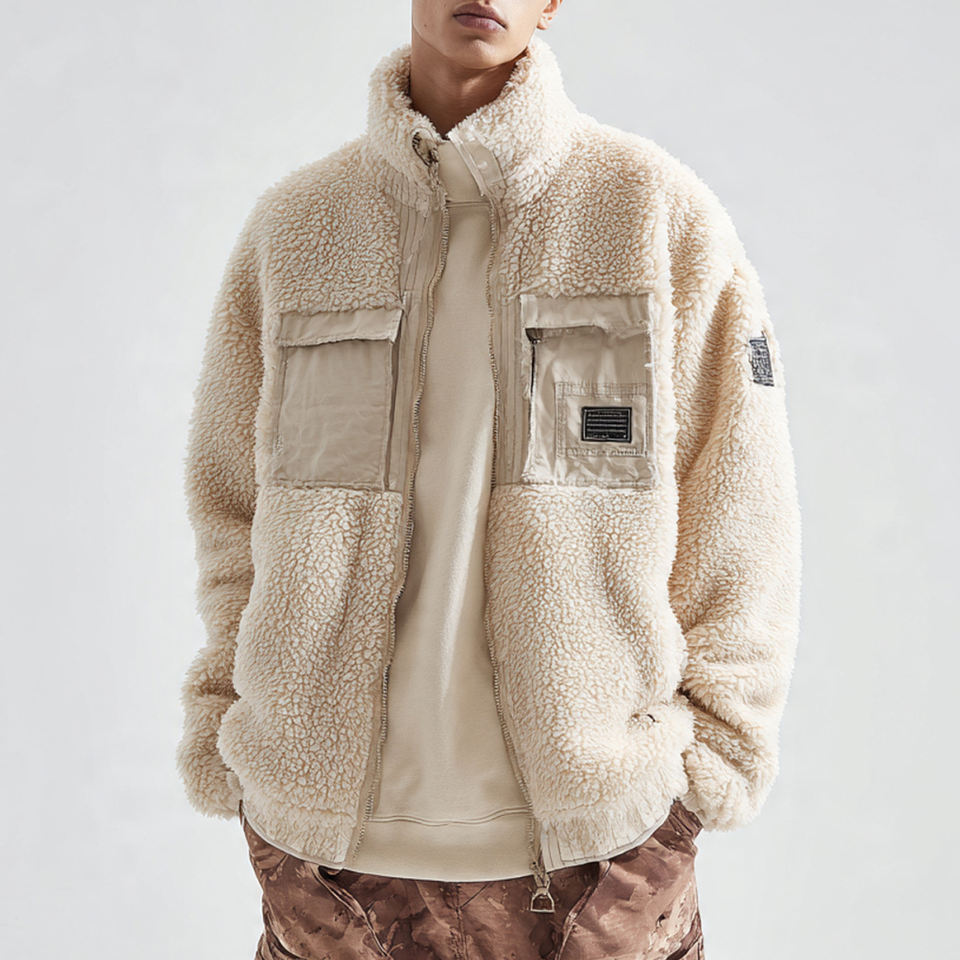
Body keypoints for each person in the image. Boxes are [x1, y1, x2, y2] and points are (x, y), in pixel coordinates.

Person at [175, 1, 803, 957]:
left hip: (599, 858)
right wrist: (235, 728)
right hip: (326, 862)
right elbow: (231, 508)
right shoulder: (297, 229)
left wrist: (702, 778)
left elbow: (743, 511)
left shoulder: (652, 215)